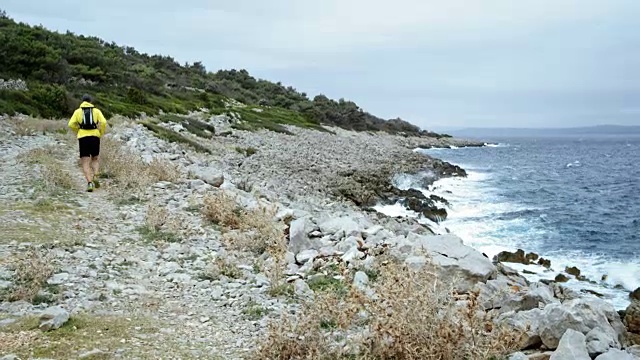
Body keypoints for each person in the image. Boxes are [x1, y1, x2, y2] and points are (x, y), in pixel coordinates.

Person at [68, 94, 107, 192]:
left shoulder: (77, 112)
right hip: (95, 136)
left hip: (83, 137)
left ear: (82, 101)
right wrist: (100, 132)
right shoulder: (96, 111)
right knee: (95, 159)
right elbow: (103, 122)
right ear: (90, 101)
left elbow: (70, 124)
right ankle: (96, 176)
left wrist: (78, 130)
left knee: (85, 161)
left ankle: (89, 183)